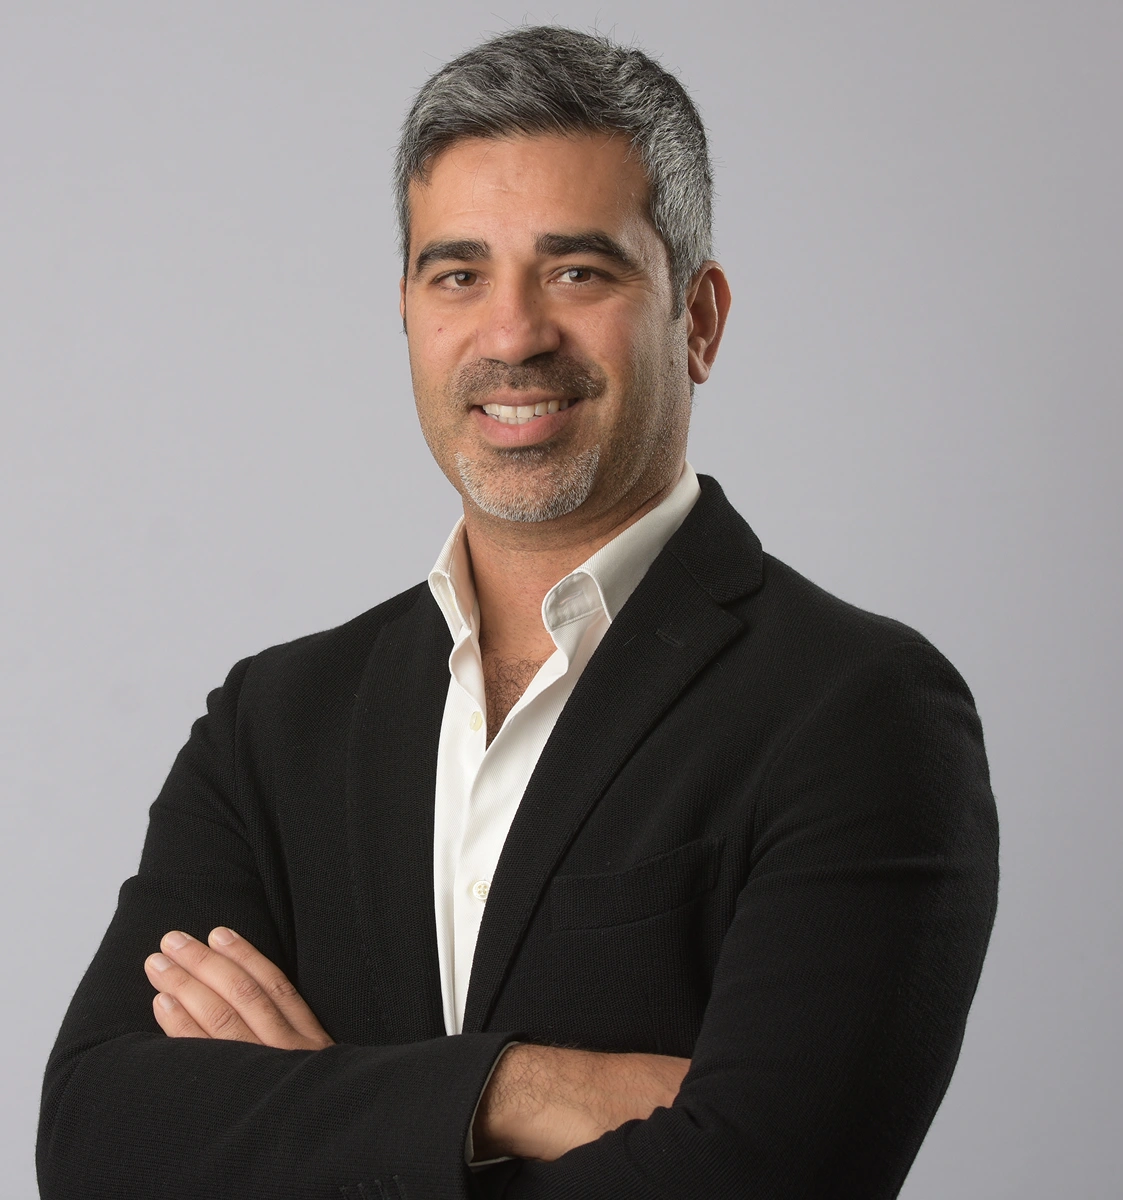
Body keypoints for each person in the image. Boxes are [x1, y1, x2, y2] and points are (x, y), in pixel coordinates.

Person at [37, 25, 999, 1200]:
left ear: (697, 319)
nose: (511, 336)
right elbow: (94, 1139)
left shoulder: (857, 709)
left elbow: (768, 1177)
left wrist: (313, 1112)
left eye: (577, 271)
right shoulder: (272, 725)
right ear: (407, 313)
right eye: (458, 275)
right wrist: (515, 1089)